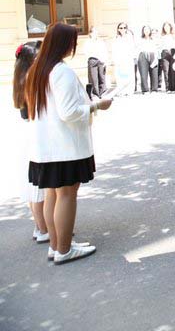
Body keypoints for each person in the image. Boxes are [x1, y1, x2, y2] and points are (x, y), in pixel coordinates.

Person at [24, 23, 113, 263]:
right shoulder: (60, 71)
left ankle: (56, 246)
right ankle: (64, 249)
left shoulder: (37, 70)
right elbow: (69, 112)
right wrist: (97, 105)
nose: (74, 46)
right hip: (64, 146)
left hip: (46, 146)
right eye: (73, 42)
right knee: (66, 195)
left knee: (53, 194)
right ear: (64, 44)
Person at [13, 42, 48, 245]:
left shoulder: (20, 77)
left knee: (32, 186)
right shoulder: (31, 80)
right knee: (38, 187)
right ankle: (44, 229)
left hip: (26, 133)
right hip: (35, 134)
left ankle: (39, 226)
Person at [111, 22, 136, 96]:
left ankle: (129, 91)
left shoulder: (129, 37)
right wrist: (115, 60)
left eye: (124, 28)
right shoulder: (116, 38)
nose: (123, 29)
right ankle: (121, 91)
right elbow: (114, 50)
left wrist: (133, 57)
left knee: (129, 75)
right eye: (121, 28)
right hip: (119, 60)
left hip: (128, 59)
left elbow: (132, 48)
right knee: (120, 76)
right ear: (118, 29)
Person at [83, 27, 108, 98]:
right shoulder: (88, 42)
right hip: (92, 60)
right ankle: (95, 95)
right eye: (94, 32)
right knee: (93, 79)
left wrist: (105, 61)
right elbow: (86, 52)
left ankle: (102, 93)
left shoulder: (101, 42)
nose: (96, 33)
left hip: (101, 60)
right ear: (90, 33)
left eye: (96, 32)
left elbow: (104, 51)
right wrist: (90, 61)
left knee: (102, 77)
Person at [136, 25, 158, 93]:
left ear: (150, 31)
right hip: (143, 55)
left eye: (148, 29)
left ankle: (154, 89)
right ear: (143, 31)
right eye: (145, 29)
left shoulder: (153, 39)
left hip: (152, 55)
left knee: (154, 73)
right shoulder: (140, 39)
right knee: (143, 73)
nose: (146, 31)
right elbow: (137, 49)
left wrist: (156, 58)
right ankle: (145, 90)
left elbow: (157, 49)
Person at [158, 22, 175, 92]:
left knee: (173, 70)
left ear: (170, 27)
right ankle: (168, 88)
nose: (166, 28)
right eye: (165, 27)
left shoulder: (174, 35)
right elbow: (159, 46)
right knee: (166, 71)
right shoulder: (162, 36)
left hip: (173, 52)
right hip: (164, 53)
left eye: (167, 26)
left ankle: (174, 88)